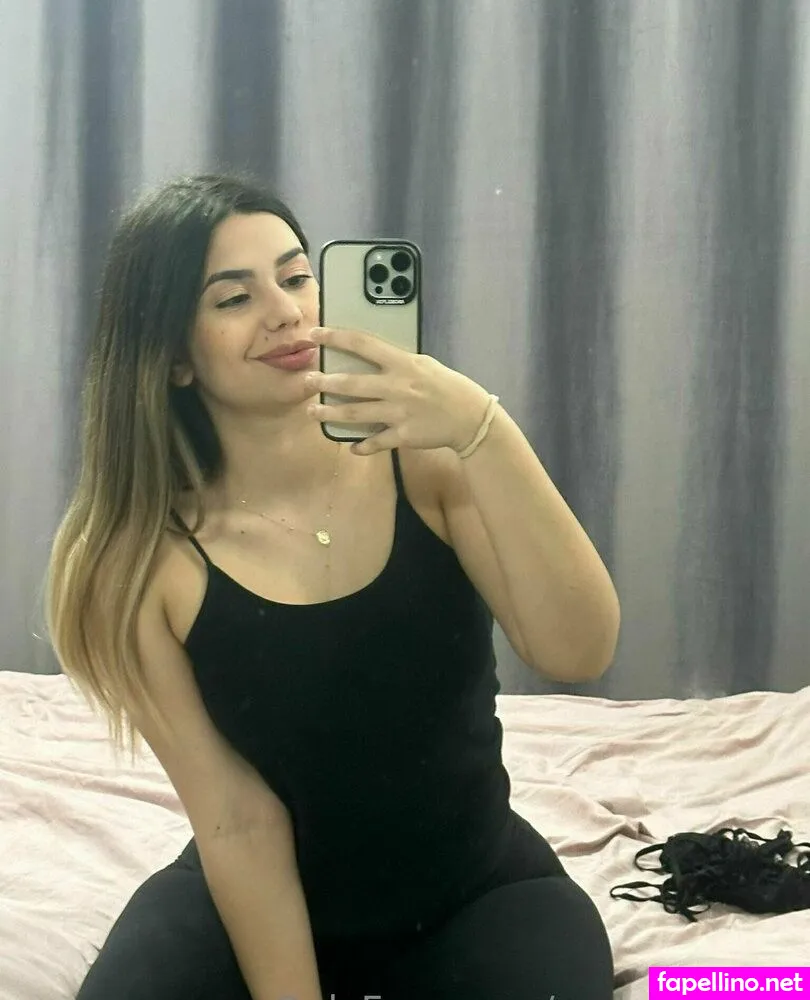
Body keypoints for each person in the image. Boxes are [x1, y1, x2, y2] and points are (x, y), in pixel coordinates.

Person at [47, 173, 621, 1000]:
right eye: (233, 298)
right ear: (171, 357)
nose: (286, 312)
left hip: (476, 892)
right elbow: (236, 819)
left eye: (296, 276)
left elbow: (579, 649)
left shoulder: (428, 464)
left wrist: (482, 431)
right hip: (253, 903)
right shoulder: (140, 560)